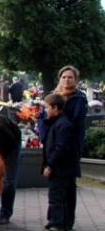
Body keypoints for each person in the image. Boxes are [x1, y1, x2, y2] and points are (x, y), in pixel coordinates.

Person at [37, 66, 88, 231]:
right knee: (56, 188)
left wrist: (57, 124)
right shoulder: (53, 96)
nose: (67, 80)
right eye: (64, 77)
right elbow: (41, 117)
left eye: (70, 77)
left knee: (67, 185)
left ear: (75, 80)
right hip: (53, 141)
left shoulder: (78, 99)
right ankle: (55, 218)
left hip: (69, 145)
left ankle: (64, 221)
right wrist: (45, 133)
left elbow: (75, 122)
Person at [40, 92, 81, 231]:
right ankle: (63, 222)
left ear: (55, 108)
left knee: (56, 196)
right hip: (64, 168)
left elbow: (61, 147)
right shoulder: (60, 122)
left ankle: (57, 223)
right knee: (64, 196)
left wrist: (50, 165)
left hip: (61, 169)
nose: (45, 110)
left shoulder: (62, 124)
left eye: (47, 107)